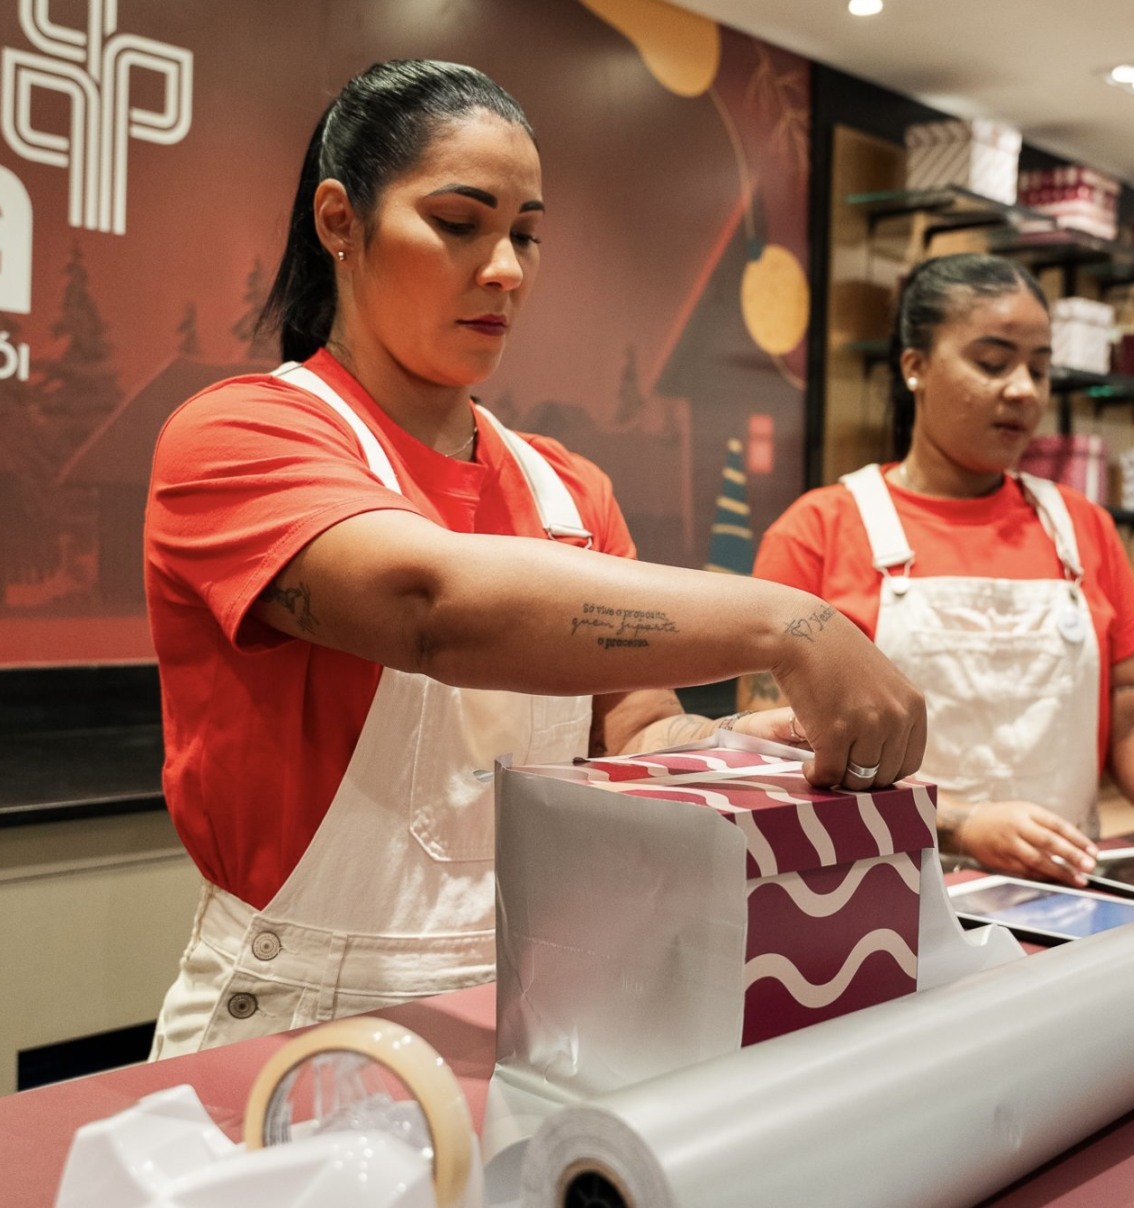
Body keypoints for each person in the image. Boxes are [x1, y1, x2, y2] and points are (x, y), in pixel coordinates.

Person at [142, 60, 926, 1057]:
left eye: (526, 234)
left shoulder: (568, 492)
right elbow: (432, 604)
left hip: (535, 995)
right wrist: (793, 621)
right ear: (340, 221)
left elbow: (628, 723)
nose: (506, 269)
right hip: (303, 1019)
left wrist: (733, 745)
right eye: (460, 224)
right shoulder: (242, 437)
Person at [744, 252, 1134, 893]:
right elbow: (781, 755)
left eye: (1040, 368)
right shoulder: (818, 531)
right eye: (992, 364)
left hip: (1068, 895)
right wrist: (960, 826)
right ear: (915, 366)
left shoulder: (1084, 530)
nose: (1023, 388)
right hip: (876, 901)